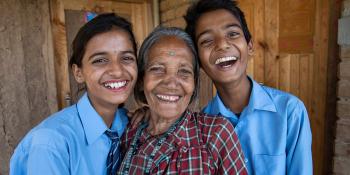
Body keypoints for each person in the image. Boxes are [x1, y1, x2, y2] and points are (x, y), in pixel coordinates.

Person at [184, 0, 313, 174]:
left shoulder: (290, 111)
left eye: (232, 34)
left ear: (250, 46)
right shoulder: (202, 126)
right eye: (207, 41)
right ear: (198, 60)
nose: (222, 44)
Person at [10, 13, 138, 174]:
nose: (118, 70)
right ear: (78, 73)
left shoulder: (131, 125)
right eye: (100, 60)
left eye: (126, 58)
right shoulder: (50, 143)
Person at [117, 27, 248, 175]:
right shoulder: (129, 131)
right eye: (158, 69)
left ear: (194, 83)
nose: (171, 83)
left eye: (184, 71)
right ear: (141, 80)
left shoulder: (214, 134)